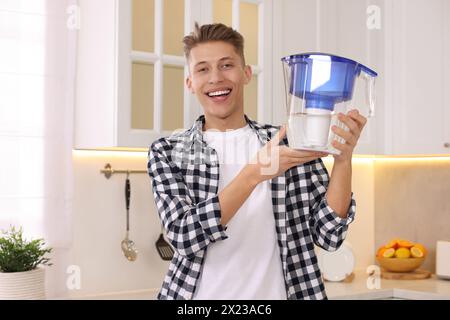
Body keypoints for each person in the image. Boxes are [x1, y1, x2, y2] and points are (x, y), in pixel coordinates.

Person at [147, 23, 367, 300]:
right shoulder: (168, 152)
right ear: (190, 82)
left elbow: (329, 235)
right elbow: (183, 236)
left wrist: (344, 161)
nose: (215, 77)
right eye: (203, 69)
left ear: (246, 73)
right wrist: (254, 174)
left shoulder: (289, 141)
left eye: (227, 65)